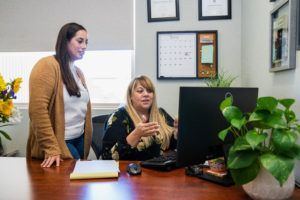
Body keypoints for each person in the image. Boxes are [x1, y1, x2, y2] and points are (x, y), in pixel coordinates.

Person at [27, 22, 92, 167]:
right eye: (80, 41)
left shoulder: (78, 72)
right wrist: (51, 148)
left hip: (79, 139)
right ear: (65, 41)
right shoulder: (47, 65)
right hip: (60, 142)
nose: (84, 46)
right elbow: (37, 110)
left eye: (86, 42)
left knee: (79, 188)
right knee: (66, 187)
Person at [102, 75, 178, 160]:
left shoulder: (161, 114)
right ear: (130, 96)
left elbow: (174, 146)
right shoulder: (119, 116)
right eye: (140, 91)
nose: (146, 94)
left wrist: (178, 133)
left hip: (159, 169)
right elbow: (107, 157)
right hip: (130, 170)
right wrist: (136, 134)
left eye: (149, 91)